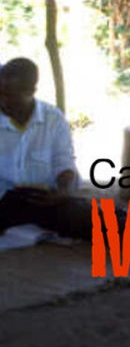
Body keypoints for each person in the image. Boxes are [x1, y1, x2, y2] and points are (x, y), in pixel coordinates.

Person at [0, 57, 92, 240]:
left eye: (10, 95)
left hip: (43, 199)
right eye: (0, 93)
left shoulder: (53, 118)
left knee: (87, 219)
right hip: (3, 199)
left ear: (31, 91)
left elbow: (63, 161)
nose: (3, 101)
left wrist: (62, 192)